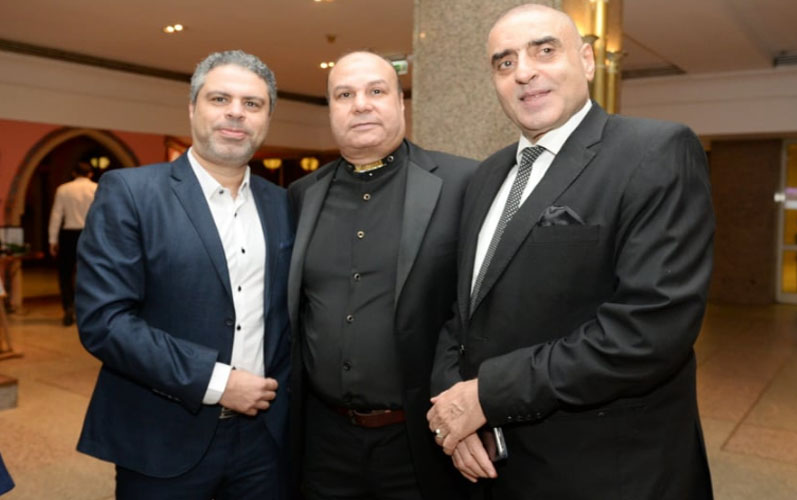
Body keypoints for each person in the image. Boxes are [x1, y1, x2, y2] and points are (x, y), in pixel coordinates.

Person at [427, 5, 715, 499]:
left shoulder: (655, 151)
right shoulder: (486, 176)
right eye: (505, 62)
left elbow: (648, 330)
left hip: (608, 471)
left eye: (544, 50)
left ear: (586, 61)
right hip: (497, 466)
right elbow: (463, 312)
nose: (524, 72)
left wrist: (486, 396)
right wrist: (454, 409)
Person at [75, 50, 293, 500]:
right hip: (162, 436)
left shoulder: (285, 204)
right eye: (220, 99)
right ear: (193, 108)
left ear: (268, 119)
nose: (236, 112)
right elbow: (105, 322)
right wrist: (217, 382)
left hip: (265, 439)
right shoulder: (131, 192)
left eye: (252, 104)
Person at [287, 51, 477, 500]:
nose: (361, 104)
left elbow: (480, 307)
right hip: (324, 439)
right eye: (344, 95)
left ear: (400, 103)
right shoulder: (301, 195)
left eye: (376, 91)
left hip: (422, 440)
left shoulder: (462, 183)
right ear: (331, 110)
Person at [48, 161, 97, 326]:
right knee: (92, 273)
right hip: (90, 233)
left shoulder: (63, 189)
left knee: (65, 273)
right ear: (90, 174)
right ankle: (90, 309)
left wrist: (52, 240)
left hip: (69, 234)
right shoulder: (96, 188)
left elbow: (56, 215)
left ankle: (68, 307)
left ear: (74, 173)